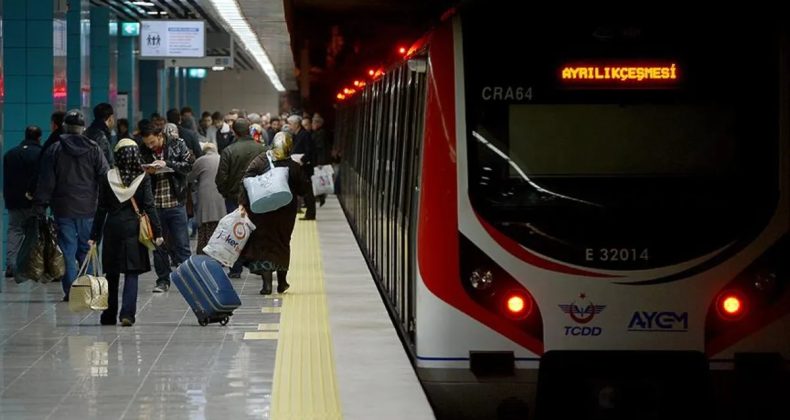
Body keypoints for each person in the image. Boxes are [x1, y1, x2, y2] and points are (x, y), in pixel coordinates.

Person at [34, 109, 109, 301]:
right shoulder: (94, 149)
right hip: (89, 209)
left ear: (65, 127)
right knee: (88, 248)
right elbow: (104, 176)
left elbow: (47, 181)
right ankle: (88, 289)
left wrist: (41, 205)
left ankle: (71, 291)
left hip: (63, 208)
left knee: (67, 249)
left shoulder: (55, 149)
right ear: (83, 129)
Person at [89, 139, 163, 326]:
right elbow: (149, 206)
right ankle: (127, 315)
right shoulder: (143, 178)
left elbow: (101, 209)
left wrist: (94, 235)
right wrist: (157, 232)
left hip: (112, 228)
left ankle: (108, 316)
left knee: (112, 274)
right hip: (134, 229)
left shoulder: (107, 177)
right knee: (132, 273)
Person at [240, 132, 307, 295]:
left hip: (262, 211)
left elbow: (246, 181)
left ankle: (267, 285)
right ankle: (282, 282)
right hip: (285, 213)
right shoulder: (293, 166)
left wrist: (243, 203)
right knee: (282, 243)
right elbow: (303, 189)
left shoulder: (260, 161)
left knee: (264, 243)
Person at [139, 119, 194, 292]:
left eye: (152, 142)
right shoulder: (144, 151)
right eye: (147, 144)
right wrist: (147, 171)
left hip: (175, 202)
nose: (150, 146)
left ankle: (189, 280)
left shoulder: (178, 145)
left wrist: (168, 164)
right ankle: (163, 280)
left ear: (160, 136)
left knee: (182, 244)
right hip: (155, 206)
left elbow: (188, 166)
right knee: (158, 245)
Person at [215, 119, 264, 278]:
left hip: (234, 198)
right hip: (258, 197)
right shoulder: (262, 149)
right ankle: (259, 265)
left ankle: (236, 269)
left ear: (234, 132)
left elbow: (221, 178)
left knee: (235, 232)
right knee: (258, 230)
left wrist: (226, 193)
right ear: (250, 130)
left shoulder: (228, 151)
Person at [3, 126, 43, 277]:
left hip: (13, 201)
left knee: (15, 230)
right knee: (34, 233)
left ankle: (11, 266)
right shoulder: (40, 154)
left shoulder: (10, 154)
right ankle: (33, 267)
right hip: (33, 201)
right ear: (38, 138)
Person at [187, 143, 227, 254]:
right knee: (219, 223)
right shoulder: (221, 159)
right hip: (220, 195)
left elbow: (190, 177)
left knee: (205, 223)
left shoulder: (201, 160)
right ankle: (219, 252)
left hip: (205, 196)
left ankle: (204, 252)